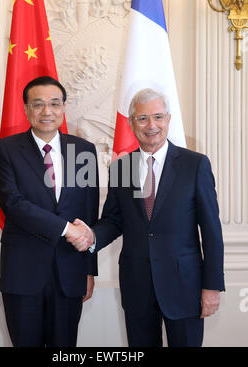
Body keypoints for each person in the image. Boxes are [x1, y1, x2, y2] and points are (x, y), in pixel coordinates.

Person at [68, 88, 225, 347]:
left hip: (185, 289)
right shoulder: (121, 167)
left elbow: (211, 232)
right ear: (131, 123)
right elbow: (113, 221)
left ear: (168, 119)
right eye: (142, 118)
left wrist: (212, 287)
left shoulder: (195, 165)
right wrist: (92, 235)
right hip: (137, 286)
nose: (151, 125)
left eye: (158, 117)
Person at [0, 76, 99, 347]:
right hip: (23, 272)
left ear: (63, 107)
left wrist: (89, 270)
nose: (47, 111)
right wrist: (65, 229)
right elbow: (13, 204)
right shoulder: (5, 150)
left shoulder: (83, 150)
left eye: (54, 104)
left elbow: (89, 210)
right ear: (26, 108)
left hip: (70, 272)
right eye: (38, 104)